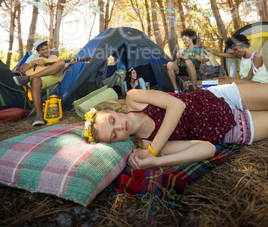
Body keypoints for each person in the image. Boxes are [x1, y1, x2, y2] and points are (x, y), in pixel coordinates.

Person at [83, 83, 268, 169]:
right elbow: (208, 148)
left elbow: (177, 105)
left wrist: (154, 151)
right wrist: (156, 161)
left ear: (112, 112)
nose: (120, 128)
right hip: (229, 129)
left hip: (220, 98)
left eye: (112, 121)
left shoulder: (134, 97)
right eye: (114, 135)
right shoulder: (146, 143)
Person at [13, 39, 76, 126]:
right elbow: (21, 69)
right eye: (43, 50)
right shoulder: (32, 57)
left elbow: (61, 69)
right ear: (38, 51)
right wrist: (33, 63)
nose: (46, 51)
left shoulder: (53, 57)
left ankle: (29, 77)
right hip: (38, 82)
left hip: (52, 79)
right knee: (35, 80)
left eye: (47, 48)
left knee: (61, 62)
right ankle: (39, 116)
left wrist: (69, 65)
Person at [202, 34, 268, 84]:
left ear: (242, 44)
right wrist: (205, 47)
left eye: (236, 49)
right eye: (234, 50)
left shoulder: (257, 56)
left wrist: (231, 80)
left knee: (227, 79)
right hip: (247, 82)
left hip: (259, 83)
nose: (236, 52)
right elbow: (220, 54)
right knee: (223, 79)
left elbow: (249, 78)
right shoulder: (240, 56)